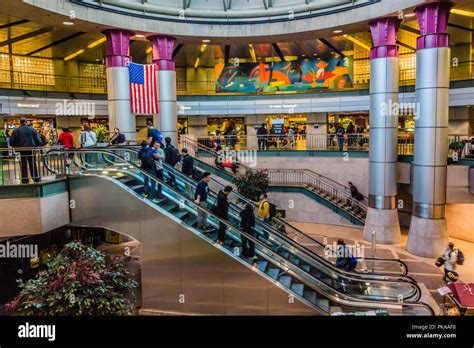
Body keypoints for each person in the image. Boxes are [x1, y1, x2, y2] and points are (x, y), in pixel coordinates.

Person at [10, 118, 43, 184]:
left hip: (20, 150)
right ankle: (36, 179)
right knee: (32, 164)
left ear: (20, 122)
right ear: (26, 122)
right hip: (31, 150)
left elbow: (11, 142)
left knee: (23, 165)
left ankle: (25, 180)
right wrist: (37, 145)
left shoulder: (16, 130)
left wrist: (16, 147)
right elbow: (39, 141)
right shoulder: (32, 129)